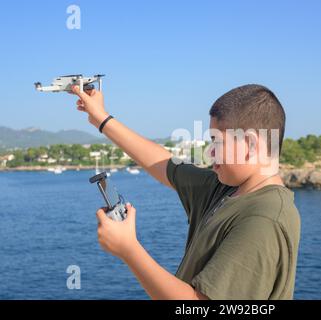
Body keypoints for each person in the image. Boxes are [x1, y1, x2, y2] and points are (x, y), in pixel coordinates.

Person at [70, 83, 301, 299]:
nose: (210, 153)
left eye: (217, 142)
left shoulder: (265, 218)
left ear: (250, 145)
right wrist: (100, 118)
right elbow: (163, 164)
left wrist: (129, 250)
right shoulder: (223, 188)